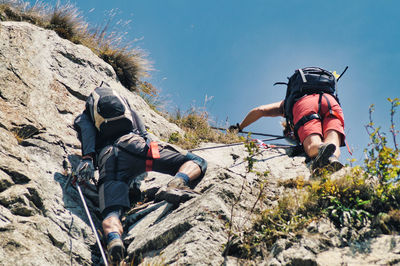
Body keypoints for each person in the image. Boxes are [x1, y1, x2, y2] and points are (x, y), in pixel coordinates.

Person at [73, 85, 207, 264]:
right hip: (135, 146)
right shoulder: (126, 106)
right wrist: (147, 140)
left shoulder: (84, 117)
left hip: (109, 160)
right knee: (196, 161)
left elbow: (87, 132)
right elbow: (138, 121)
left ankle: (114, 239)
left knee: (112, 212)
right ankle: (178, 182)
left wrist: (88, 158)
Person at [230, 68, 346, 171]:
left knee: (311, 146)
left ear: (290, 130)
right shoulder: (320, 93)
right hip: (331, 102)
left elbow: (260, 110)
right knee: (333, 140)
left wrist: (239, 127)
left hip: (306, 104)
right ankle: (332, 159)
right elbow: (259, 110)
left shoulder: (286, 106)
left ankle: (321, 148)